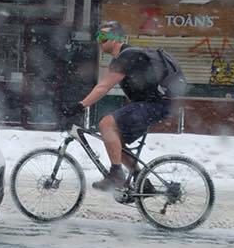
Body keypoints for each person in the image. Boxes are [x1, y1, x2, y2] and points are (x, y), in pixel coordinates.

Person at [62, 21, 174, 190]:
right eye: (98, 37)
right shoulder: (124, 57)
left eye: (103, 37)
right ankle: (142, 181)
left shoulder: (127, 56)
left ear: (115, 39)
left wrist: (80, 105)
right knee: (115, 142)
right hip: (154, 105)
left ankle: (116, 175)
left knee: (106, 123)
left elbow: (103, 87)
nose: (99, 40)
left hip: (155, 105)